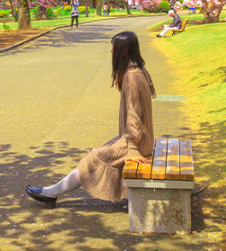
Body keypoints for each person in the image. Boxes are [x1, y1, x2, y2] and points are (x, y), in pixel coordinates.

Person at [25, 31, 156, 207]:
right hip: (141, 139)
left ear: (123, 52)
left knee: (94, 159)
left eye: (114, 48)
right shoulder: (139, 70)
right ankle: (53, 192)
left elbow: (133, 114)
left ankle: (51, 193)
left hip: (136, 142)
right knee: (102, 152)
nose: (111, 52)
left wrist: (132, 149)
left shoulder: (131, 77)